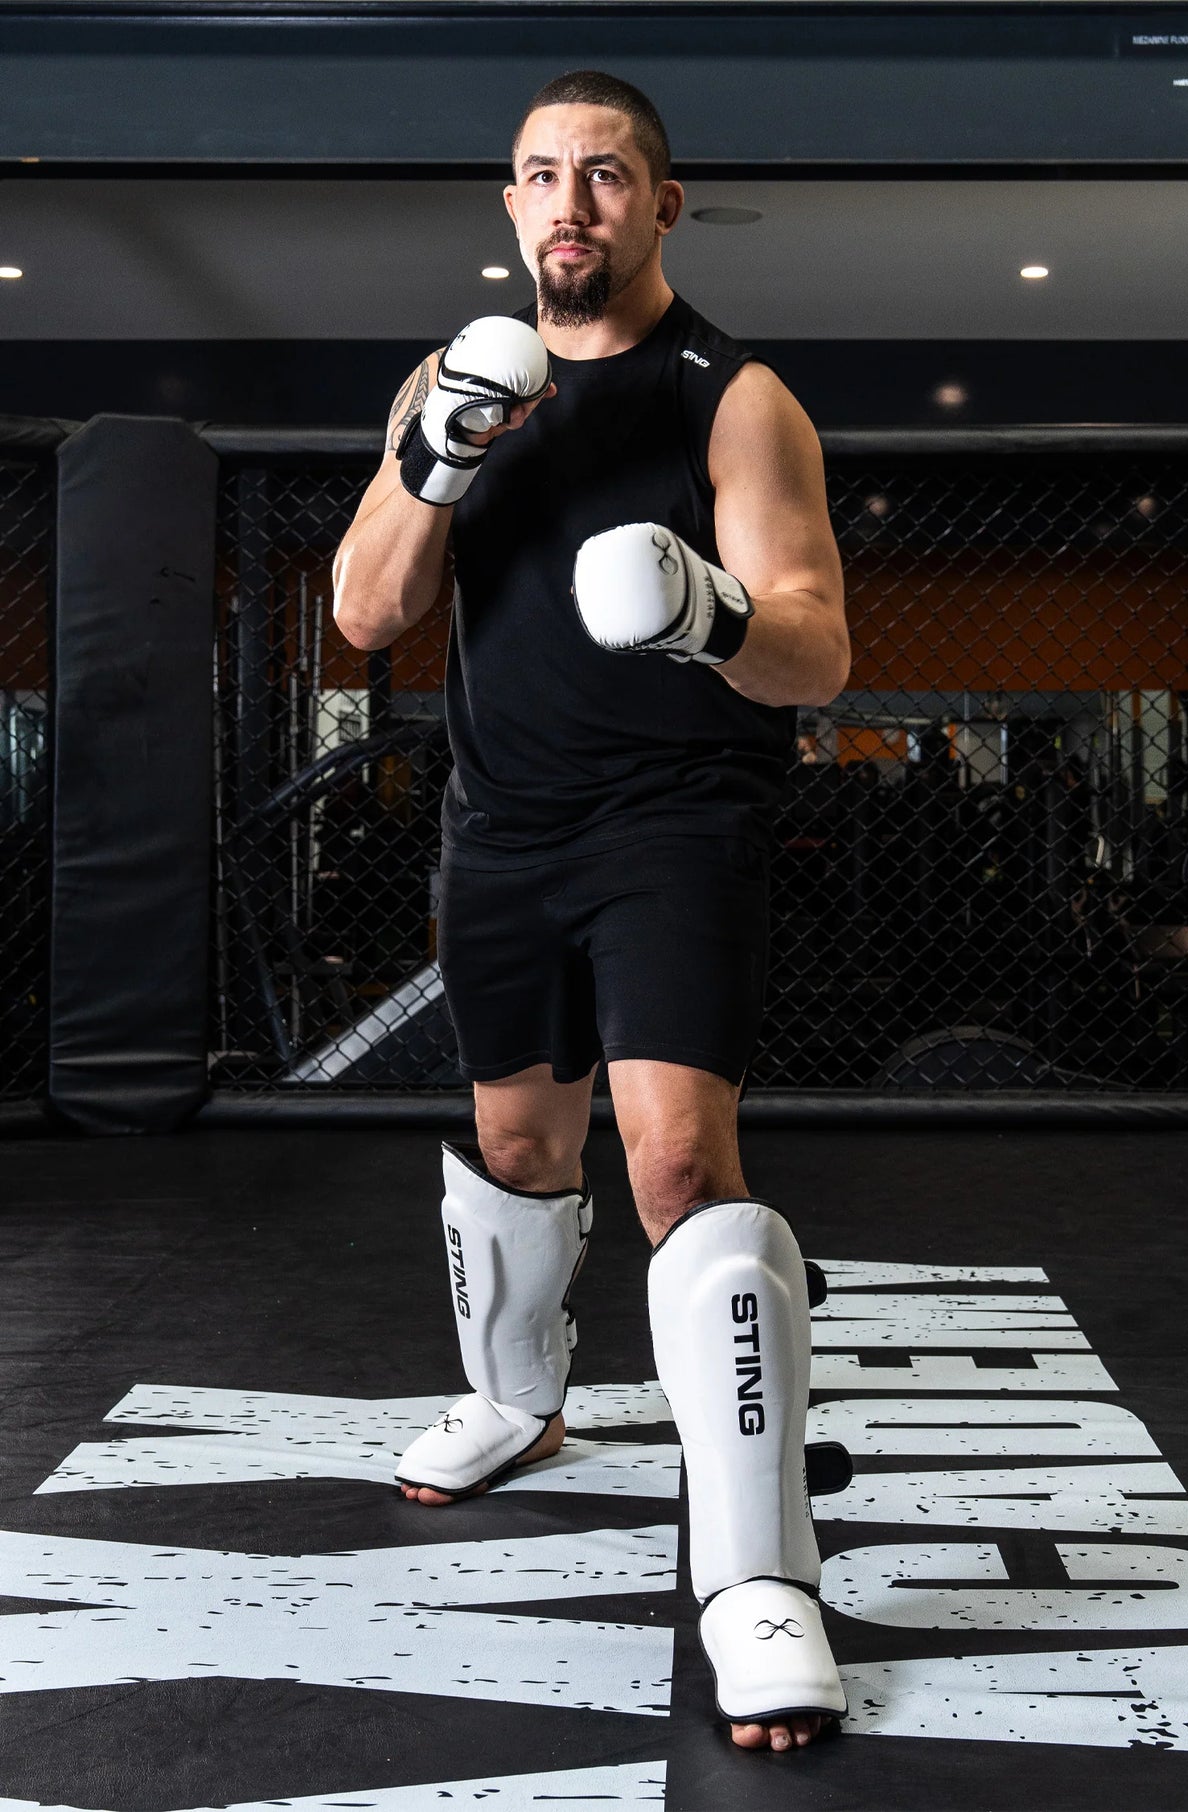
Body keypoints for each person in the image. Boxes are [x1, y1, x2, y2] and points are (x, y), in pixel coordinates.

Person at [331, 68, 852, 1754]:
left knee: (679, 1166)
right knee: (518, 1150)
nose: (573, 205)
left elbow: (818, 648)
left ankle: (761, 1577)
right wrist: (440, 452)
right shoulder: (450, 374)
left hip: (676, 819)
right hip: (505, 824)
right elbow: (363, 613)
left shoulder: (735, 395)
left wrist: (706, 613)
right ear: (509, 206)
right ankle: (516, 1403)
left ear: (661, 206)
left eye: (608, 177)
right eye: (544, 177)